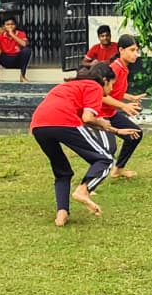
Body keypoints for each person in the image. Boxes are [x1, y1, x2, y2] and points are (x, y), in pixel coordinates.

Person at [29, 62, 141, 226]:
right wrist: (102, 123)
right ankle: (84, 191)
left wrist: (116, 131)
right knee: (105, 159)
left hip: (39, 125)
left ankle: (62, 214)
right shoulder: (95, 87)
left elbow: (88, 122)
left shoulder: (72, 85)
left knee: (62, 171)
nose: (111, 90)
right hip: (63, 121)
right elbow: (88, 118)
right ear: (104, 80)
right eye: (111, 85)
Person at [94, 33, 146, 178]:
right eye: (132, 50)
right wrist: (123, 106)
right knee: (108, 149)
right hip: (100, 115)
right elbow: (101, 95)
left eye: (136, 50)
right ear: (121, 50)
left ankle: (118, 169)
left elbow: (115, 91)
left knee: (135, 134)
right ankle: (89, 183)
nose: (136, 54)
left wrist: (131, 97)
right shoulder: (115, 68)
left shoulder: (124, 67)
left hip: (111, 113)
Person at [0, 17, 33, 82]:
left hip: (17, 60)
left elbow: (24, 44)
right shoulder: (1, 35)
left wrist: (12, 34)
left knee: (27, 50)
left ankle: (22, 76)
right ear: (3, 27)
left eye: (12, 24)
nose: (10, 26)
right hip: (5, 59)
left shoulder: (21, 33)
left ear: (15, 26)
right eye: (8, 25)